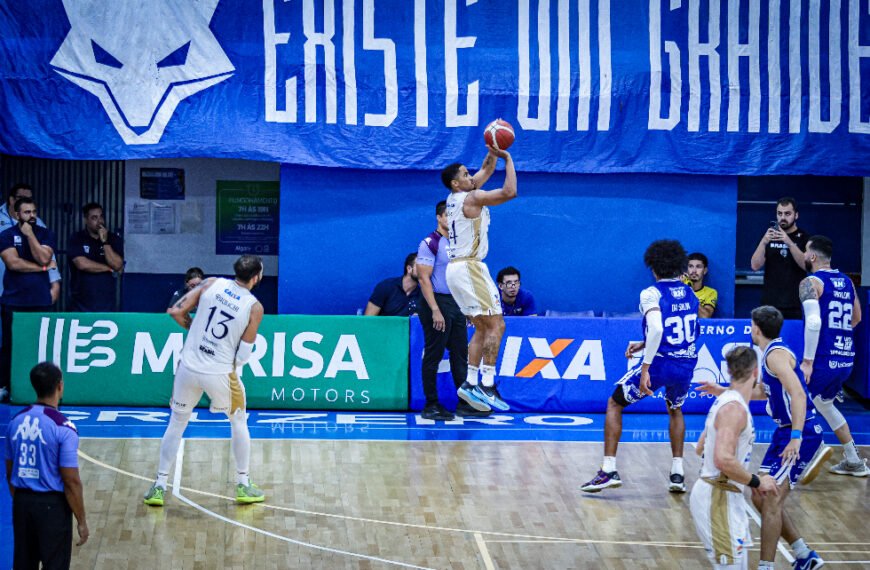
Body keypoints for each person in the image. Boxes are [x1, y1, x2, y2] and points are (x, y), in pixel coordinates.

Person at [703, 306, 825, 570]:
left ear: (756, 328)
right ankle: (804, 555)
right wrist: (722, 390)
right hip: (784, 432)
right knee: (761, 493)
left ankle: (767, 566)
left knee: (771, 498)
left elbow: (800, 395)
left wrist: (796, 437)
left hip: (799, 433)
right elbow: (763, 391)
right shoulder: (770, 354)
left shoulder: (776, 356)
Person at [144, 255, 266, 506]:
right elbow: (243, 355)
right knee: (239, 420)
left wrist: (195, 328)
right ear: (256, 278)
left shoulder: (211, 283)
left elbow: (176, 311)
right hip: (219, 372)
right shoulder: (254, 307)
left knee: (177, 422)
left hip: (188, 366)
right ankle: (243, 483)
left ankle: (159, 485)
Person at [581, 240, 698, 494]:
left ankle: (608, 469)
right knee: (675, 409)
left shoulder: (651, 293)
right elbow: (685, 332)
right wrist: (646, 344)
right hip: (687, 362)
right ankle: (677, 473)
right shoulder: (691, 293)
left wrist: (646, 366)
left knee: (614, 403)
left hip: (661, 363)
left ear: (653, 267)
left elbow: (657, 327)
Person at [441, 145, 515, 413]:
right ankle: (488, 383)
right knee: (497, 326)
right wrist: (509, 158)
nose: (470, 174)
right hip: (470, 267)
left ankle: (471, 382)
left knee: (482, 328)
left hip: (457, 269)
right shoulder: (470, 199)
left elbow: (486, 169)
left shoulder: (456, 197)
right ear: (456, 183)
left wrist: (494, 149)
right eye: (465, 173)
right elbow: (510, 192)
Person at [690, 346, 778, 569]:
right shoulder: (734, 410)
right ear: (756, 372)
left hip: (725, 495)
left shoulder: (727, 400)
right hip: (717, 497)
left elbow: (700, 447)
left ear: (728, 371)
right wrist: (757, 481)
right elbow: (723, 459)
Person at [5, 362, 89, 568]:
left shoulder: (15, 421)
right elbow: (71, 481)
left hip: (22, 504)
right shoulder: (63, 427)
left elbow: (10, 471)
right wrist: (81, 520)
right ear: (60, 386)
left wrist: (25, 500)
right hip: (52, 508)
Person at [798, 235, 867, 480]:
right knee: (824, 404)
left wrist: (807, 361)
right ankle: (854, 460)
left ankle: (808, 454)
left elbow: (815, 322)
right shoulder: (847, 281)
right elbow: (857, 318)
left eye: (805, 251)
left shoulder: (811, 282)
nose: (804, 255)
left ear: (813, 256)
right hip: (846, 356)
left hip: (823, 357)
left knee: (797, 404)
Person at [416, 201, 487, 421]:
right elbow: (423, 278)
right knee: (434, 354)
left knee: (460, 354)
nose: (452, 219)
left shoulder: (459, 243)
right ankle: (431, 404)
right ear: (439, 217)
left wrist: (467, 306)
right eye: (448, 215)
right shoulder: (429, 243)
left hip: (456, 302)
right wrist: (435, 310)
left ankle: (465, 403)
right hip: (436, 302)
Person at [0, 197, 57, 403]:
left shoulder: (45, 233)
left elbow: (44, 256)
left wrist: (30, 235)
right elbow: (14, 264)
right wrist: (42, 269)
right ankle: (5, 386)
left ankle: (44, 391)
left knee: (40, 346)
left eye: (33, 212)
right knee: (10, 346)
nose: (31, 216)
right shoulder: (6, 235)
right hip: (13, 301)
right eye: (26, 212)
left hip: (40, 300)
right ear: (16, 214)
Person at [750, 197, 809, 319]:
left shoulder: (804, 237)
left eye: (787, 214)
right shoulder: (768, 236)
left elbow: (806, 265)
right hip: (770, 302)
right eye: (779, 213)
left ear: (796, 215)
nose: (783, 217)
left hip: (794, 303)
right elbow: (755, 266)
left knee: (790, 338)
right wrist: (763, 242)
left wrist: (789, 242)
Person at [67, 202, 125, 312]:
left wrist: (105, 242)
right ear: (86, 220)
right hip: (80, 304)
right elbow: (82, 264)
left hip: (107, 303)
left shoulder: (113, 239)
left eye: (101, 216)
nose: (100, 222)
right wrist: (109, 268)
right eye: (94, 218)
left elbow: (117, 264)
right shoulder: (76, 238)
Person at [682, 252, 718, 318]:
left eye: (698, 267)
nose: (694, 271)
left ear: (705, 270)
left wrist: (689, 292)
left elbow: (705, 316)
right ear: (687, 270)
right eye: (690, 266)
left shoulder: (711, 292)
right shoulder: (679, 289)